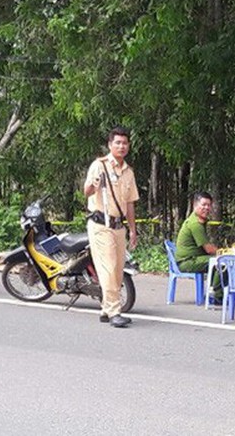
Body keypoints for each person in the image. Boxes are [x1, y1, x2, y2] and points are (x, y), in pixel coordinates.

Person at [83, 126, 139, 328]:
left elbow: (130, 203)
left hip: (119, 226)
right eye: (118, 142)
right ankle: (115, 311)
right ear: (110, 145)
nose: (121, 146)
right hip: (100, 224)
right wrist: (94, 185)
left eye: (125, 143)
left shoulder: (128, 172)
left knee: (117, 269)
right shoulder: (99, 166)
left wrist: (132, 230)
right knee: (107, 267)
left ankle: (106, 309)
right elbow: (87, 191)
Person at [175, 191, 222, 303]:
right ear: (195, 205)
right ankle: (216, 295)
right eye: (203, 205)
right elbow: (209, 249)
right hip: (187, 261)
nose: (206, 208)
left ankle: (217, 292)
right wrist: (226, 252)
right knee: (221, 262)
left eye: (209, 205)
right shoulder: (195, 224)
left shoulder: (198, 220)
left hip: (195, 258)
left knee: (219, 260)